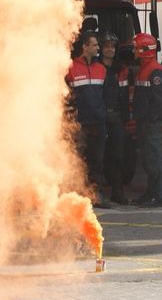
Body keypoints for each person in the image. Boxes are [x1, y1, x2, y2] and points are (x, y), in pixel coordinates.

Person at [65, 31, 110, 209]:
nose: (98, 48)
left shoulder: (101, 69)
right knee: (78, 161)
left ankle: (96, 195)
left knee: (97, 161)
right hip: (80, 122)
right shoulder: (71, 68)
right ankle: (76, 196)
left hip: (98, 122)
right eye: (94, 45)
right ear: (84, 46)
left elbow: (106, 96)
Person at [132, 32, 162, 207]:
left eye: (136, 48)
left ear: (145, 50)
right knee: (148, 159)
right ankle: (152, 192)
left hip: (151, 123)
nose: (134, 51)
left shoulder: (155, 70)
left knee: (155, 158)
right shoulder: (144, 68)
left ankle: (159, 194)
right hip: (144, 122)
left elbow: (159, 100)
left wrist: (151, 119)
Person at [99, 32, 132, 204]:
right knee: (99, 156)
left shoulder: (122, 70)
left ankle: (117, 191)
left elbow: (125, 95)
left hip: (117, 117)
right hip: (101, 118)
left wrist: (126, 118)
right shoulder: (96, 68)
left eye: (112, 46)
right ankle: (97, 192)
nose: (110, 49)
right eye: (106, 46)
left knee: (118, 155)